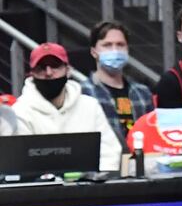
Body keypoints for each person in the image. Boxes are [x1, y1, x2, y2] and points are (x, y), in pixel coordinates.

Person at [12, 43, 120, 172]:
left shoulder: (90, 106)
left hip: (89, 183)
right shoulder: (20, 111)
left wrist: (96, 179)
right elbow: (21, 163)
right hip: (40, 184)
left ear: (68, 70)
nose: (49, 72)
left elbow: (110, 153)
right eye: (41, 68)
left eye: (55, 66)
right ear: (32, 74)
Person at [80, 19, 153, 147]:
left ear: (127, 49)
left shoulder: (143, 93)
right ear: (93, 52)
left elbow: (152, 132)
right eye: (107, 45)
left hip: (140, 157)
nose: (114, 50)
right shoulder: (83, 92)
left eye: (120, 45)